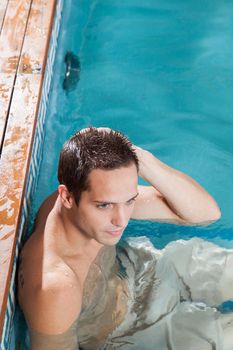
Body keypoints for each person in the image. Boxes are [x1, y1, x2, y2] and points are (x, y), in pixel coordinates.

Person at [18, 127, 233, 350]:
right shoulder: (57, 291)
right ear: (66, 197)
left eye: (130, 201)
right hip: (137, 331)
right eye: (104, 205)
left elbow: (206, 214)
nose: (121, 220)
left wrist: (142, 161)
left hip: (146, 269)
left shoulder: (95, 199)